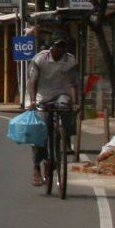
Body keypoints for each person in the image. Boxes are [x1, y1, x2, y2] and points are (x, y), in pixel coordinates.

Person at [25, 35, 80, 187]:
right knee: (40, 130)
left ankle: (66, 139)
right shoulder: (40, 59)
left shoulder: (70, 60)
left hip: (61, 94)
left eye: (63, 47)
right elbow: (33, 81)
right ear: (52, 47)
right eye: (58, 46)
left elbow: (73, 83)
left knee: (66, 107)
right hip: (41, 96)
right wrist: (33, 102)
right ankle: (36, 165)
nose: (61, 50)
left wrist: (75, 103)